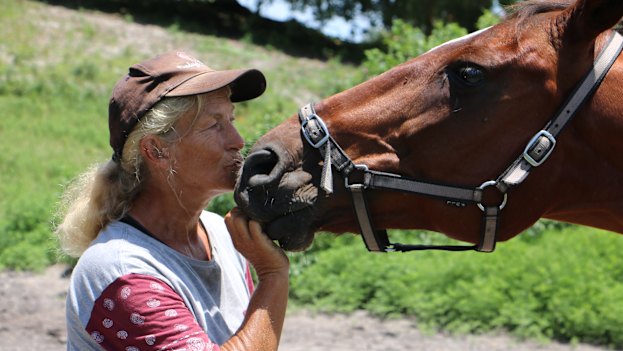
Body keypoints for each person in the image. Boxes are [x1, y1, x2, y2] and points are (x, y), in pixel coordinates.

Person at [55, 51, 289, 351]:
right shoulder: (122, 271)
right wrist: (273, 276)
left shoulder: (223, 234)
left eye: (231, 118)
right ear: (156, 150)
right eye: (214, 125)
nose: (238, 140)